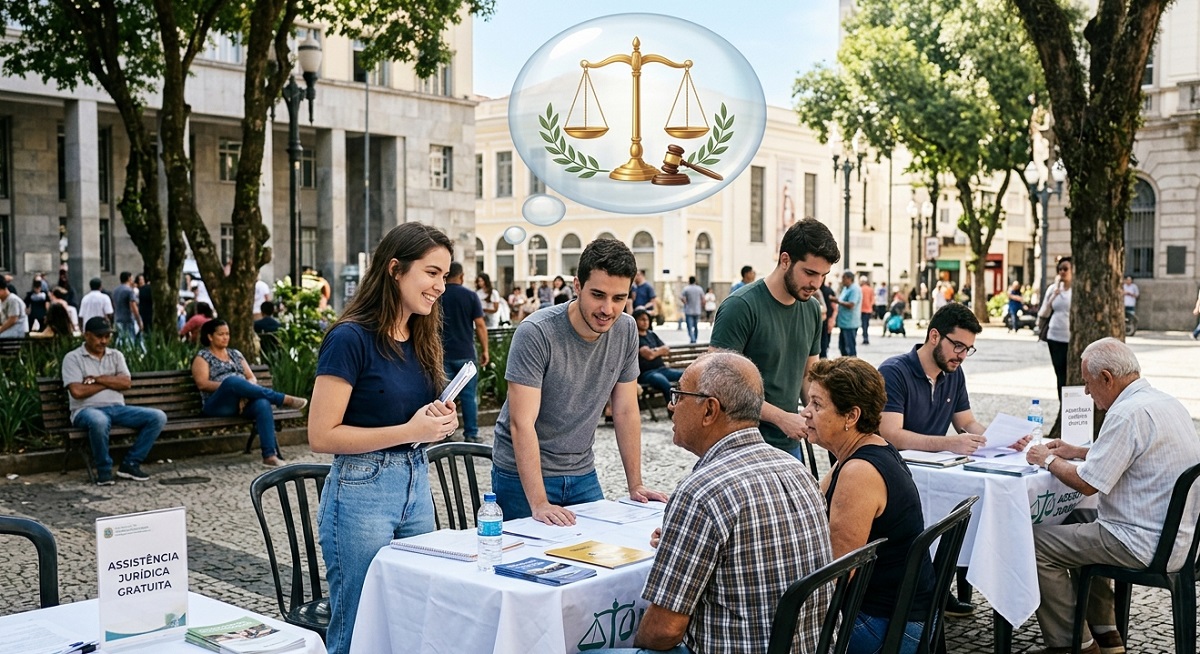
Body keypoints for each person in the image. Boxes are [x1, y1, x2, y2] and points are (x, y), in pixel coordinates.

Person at [594, 353, 832, 654]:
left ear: (709, 410)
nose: (671, 406)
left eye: (678, 395)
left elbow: (663, 631)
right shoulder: (795, 469)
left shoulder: (703, 491)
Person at [307, 222, 459, 654]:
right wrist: (411, 430)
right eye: (431, 273)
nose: (440, 287)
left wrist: (438, 421)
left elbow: (411, 419)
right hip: (360, 491)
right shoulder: (349, 338)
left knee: (412, 615)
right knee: (358, 625)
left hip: (415, 482)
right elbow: (321, 434)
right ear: (395, 269)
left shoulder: (421, 336)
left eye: (445, 276)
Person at [1024, 338, 1200, 654]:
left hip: (1141, 542)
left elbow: (1087, 484)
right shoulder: (1165, 402)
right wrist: (1077, 450)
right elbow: (1131, 454)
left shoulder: (1125, 414)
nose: (1088, 393)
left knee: (1033, 545)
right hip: (1179, 539)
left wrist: (1047, 459)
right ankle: (1108, 636)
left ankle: (1074, 645)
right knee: (1075, 518)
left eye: (1089, 384)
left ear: (1107, 378)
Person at [492, 238, 668, 524]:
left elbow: (625, 410)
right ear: (577, 287)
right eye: (598, 295)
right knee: (529, 563)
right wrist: (539, 503)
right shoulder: (536, 332)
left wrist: (635, 485)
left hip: (582, 472)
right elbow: (521, 422)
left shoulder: (626, 329)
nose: (608, 309)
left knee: (597, 558)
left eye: (619, 298)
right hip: (520, 475)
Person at [803, 357, 935, 654]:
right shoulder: (865, 449)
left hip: (890, 625)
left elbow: (836, 575)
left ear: (851, 416)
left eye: (816, 404)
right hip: (899, 612)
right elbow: (810, 503)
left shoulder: (859, 471)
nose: (805, 412)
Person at [710, 218, 840, 460]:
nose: (816, 284)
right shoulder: (740, 306)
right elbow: (718, 385)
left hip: (788, 443)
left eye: (823, 275)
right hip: (738, 446)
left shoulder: (811, 309)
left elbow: (807, 377)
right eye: (810, 272)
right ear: (785, 260)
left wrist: (825, 415)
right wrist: (781, 418)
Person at [879, 302, 1030, 456]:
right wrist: (948, 443)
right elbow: (890, 435)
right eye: (958, 346)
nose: (963, 356)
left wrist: (1001, 442)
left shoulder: (954, 372)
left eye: (968, 349)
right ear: (934, 336)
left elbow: (966, 423)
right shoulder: (893, 372)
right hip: (894, 467)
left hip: (933, 468)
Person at [61, 317, 166, 485]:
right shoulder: (73, 358)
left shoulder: (116, 355)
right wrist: (111, 382)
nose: (104, 341)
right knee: (100, 420)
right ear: (86, 335)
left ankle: (130, 464)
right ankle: (104, 471)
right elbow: (78, 391)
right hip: (85, 411)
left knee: (158, 416)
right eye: (99, 336)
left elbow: (126, 383)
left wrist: (97, 379)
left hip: (117, 409)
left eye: (107, 336)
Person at [192, 319, 307, 466]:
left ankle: (269, 456)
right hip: (217, 405)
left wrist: (244, 392)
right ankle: (282, 399)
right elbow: (203, 384)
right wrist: (232, 388)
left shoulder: (235, 354)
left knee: (262, 403)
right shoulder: (202, 357)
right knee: (232, 381)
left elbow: (251, 377)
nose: (226, 337)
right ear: (210, 336)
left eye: (227, 334)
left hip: (241, 403)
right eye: (221, 334)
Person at [442, 262, 489, 443]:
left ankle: (445, 434)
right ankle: (471, 434)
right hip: (466, 354)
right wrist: (485, 350)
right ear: (461, 276)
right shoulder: (470, 296)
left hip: (442, 354)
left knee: (445, 397)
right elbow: (480, 325)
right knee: (469, 396)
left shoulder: (439, 295)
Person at [1039, 257, 1073, 399]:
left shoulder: (1076, 290)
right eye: (1060, 269)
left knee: (1072, 373)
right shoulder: (1053, 289)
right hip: (1055, 336)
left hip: (1071, 338)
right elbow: (1043, 313)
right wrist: (1054, 296)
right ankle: (1062, 403)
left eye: (1066, 269)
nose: (1062, 272)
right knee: (1060, 373)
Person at [633, 309, 683, 399]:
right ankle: (672, 410)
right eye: (642, 319)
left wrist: (654, 351)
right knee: (663, 382)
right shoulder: (635, 337)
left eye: (647, 319)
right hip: (647, 374)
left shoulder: (651, 334)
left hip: (662, 369)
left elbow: (666, 349)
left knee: (684, 375)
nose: (645, 322)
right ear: (635, 321)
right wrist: (658, 351)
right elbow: (649, 355)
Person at [112, 271, 142, 344]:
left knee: (121, 340)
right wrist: (139, 321)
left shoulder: (115, 290)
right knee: (130, 341)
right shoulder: (129, 291)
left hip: (118, 319)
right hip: (127, 320)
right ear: (129, 278)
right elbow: (133, 307)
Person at [836, 270, 862, 357]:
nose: (842, 280)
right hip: (844, 322)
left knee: (850, 348)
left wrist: (838, 301)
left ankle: (852, 367)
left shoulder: (854, 289)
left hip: (850, 323)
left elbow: (851, 304)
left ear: (849, 279)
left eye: (844, 278)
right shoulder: (846, 288)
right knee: (842, 347)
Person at [679, 276, 704, 344]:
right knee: (696, 326)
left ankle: (692, 339)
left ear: (689, 281)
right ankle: (695, 338)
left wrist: (685, 302)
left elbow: (681, 297)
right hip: (697, 310)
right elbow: (703, 299)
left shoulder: (686, 288)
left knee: (689, 326)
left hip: (689, 310)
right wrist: (701, 306)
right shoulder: (699, 289)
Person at [819, 277, 838, 358]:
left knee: (824, 343)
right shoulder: (811, 289)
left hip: (825, 320)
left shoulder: (828, 291)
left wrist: (832, 319)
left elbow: (834, 308)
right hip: (818, 320)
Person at [859, 277, 874, 345]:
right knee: (866, 324)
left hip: (862, 309)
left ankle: (865, 338)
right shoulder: (870, 289)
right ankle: (866, 337)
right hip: (868, 309)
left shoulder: (860, 289)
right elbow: (872, 300)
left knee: (863, 325)